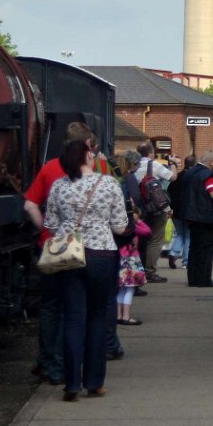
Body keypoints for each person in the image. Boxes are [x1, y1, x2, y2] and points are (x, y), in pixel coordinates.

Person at [24, 122, 114, 382]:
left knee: (51, 306)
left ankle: (48, 361)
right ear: (88, 145)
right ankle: (70, 364)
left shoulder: (50, 168)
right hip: (94, 250)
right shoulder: (98, 168)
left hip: (55, 248)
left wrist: (46, 232)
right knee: (76, 310)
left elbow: (30, 204)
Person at [43, 138, 129, 400]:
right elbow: (119, 226)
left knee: (73, 318)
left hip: (69, 255)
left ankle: (71, 384)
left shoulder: (59, 186)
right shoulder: (108, 184)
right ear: (89, 157)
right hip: (101, 253)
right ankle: (94, 382)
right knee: (97, 317)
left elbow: (50, 223)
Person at [180, 152, 213, 287]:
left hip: (192, 216)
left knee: (194, 248)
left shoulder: (189, 173)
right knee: (207, 249)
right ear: (211, 163)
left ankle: (193, 279)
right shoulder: (208, 175)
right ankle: (204, 279)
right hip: (207, 218)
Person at [133, 142, 173, 283]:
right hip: (155, 208)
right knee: (155, 240)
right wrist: (173, 163)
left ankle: (138, 269)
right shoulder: (154, 165)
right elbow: (172, 177)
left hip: (137, 209)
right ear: (151, 153)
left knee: (140, 240)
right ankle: (150, 272)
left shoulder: (133, 165)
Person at [163, 154, 196, 270]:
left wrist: (171, 208)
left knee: (180, 234)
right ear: (194, 164)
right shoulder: (193, 178)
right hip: (188, 212)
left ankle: (173, 253)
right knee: (188, 236)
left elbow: (169, 192)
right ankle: (186, 262)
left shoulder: (177, 177)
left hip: (176, 211)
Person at [116, 217, 150, 327]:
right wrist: (138, 220)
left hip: (119, 258)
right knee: (130, 289)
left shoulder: (117, 225)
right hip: (131, 259)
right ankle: (126, 316)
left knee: (120, 288)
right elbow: (147, 231)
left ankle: (118, 315)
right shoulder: (132, 226)